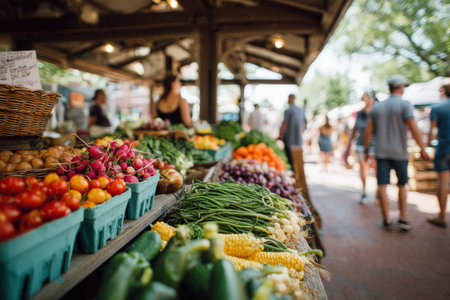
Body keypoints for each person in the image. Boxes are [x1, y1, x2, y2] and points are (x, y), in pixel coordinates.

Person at [364, 75, 429, 231]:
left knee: (382, 185)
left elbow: (368, 131)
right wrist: (422, 148)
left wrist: (367, 150)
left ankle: (386, 220)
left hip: (381, 152)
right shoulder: (405, 105)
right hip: (400, 152)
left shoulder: (378, 107)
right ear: (401, 88)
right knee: (401, 185)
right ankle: (402, 218)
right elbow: (413, 128)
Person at [343, 92, 377, 203]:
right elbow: (354, 130)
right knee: (363, 169)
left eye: (365, 98)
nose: (363, 101)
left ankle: (378, 193)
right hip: (361, 144)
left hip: (375, 144)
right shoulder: (360, 114)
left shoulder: (376, 112)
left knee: (376, 169)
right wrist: (347, 147)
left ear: (371, 99)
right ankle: (364, 192)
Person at [427, 78, 450, 228]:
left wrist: (429, 144)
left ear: (442, 91)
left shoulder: (437, 108)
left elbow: (433, 131)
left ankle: (441, 216)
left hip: (443, 148)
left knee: (442, 182)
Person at [279, 94, 307, 166]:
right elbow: (303, 124)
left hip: (289, 139)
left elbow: (284, 124)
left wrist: (280, 134)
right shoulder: (301, 110)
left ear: (290, 99)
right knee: (298, 159)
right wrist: (300, 132)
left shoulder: (288, 111)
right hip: (298, 140)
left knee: (290, 159)